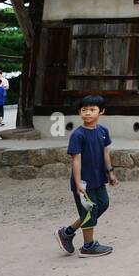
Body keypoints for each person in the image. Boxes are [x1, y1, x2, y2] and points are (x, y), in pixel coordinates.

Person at [55, 95, 117, 257]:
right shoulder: (78, 135)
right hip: (83, 181)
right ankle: (88, 246)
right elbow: (76, 161)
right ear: (79, 113)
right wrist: (78, 184)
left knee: (102, 205)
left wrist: (110, 172)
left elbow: (105, 152)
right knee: (89, 211)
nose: (87, 113)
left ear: (101, 111)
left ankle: (67, 232)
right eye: (84, 110)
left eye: (92, 109)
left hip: (98, 178)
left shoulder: (103, 131)